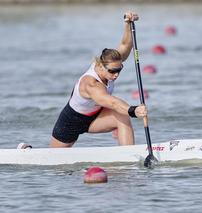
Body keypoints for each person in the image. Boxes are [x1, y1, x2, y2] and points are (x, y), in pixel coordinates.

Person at [50, 11, 147, 148]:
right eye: (112, 71)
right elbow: (112, 102)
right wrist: (133, 110)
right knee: (55, 161)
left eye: (119, 70)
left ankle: (128, 156)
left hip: (96, 117)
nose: (116, 75)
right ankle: (25, 150)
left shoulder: (110, 62)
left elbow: (125, 45)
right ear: (100, 66)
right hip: (71, 121)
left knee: (122, 117)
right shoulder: (91, 84)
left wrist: (127, 23)